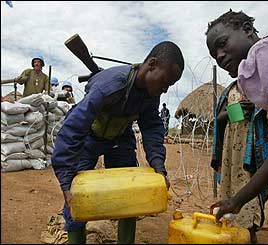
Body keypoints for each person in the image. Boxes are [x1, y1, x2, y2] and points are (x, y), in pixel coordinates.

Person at [51, 41, 184, 244]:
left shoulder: (151, 93)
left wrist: (158, 165)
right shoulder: (110, 85)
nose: (165, 89)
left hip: (121, 139)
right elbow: (73, 129)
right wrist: (66, 181)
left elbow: (151, 128)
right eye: (165, 81)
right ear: (152, 64)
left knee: (130, 196)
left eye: (170, 86)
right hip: (90, 136)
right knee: (75, 198)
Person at [206, 9, 268, 242]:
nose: (219, 55)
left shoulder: (267, 56)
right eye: (213, 54)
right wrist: (235, 201)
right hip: (232, 149)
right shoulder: (251, 86)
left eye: (223, 43)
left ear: (247, 30)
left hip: (249, 151)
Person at [211, 79, 268, 243]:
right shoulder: (231, 89)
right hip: (230, 152)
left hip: (250, 152)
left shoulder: (262, 85)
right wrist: (236, 111)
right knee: (230, 190)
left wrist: (256, 108)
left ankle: (250, 235)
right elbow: (219, 118)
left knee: (250, 194)